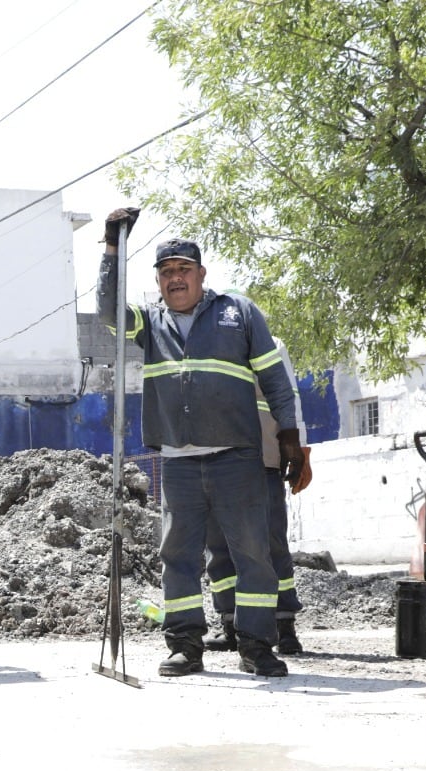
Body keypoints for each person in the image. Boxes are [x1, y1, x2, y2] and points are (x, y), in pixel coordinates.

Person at [96, 207, 306, 678]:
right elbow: (108, 312)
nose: (175, 279)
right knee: (179, 558)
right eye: (166, 272)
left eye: (183, 270)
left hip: (238, 458)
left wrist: (289, 435)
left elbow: (273, 377)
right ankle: (185, 647)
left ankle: (256, 646)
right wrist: (112, 247)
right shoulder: (150, 323)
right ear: (158, 280)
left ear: (201, 274)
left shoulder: (238, 312)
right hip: (180, 463)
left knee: (254, 554)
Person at [203, 337, 314, 655]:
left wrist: (300, 446)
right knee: (219, 545)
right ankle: (231, 624)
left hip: (260, 459)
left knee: (270, 543)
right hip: (213, 460)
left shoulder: (269, 344)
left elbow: (288, 396)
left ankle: (284, 625)